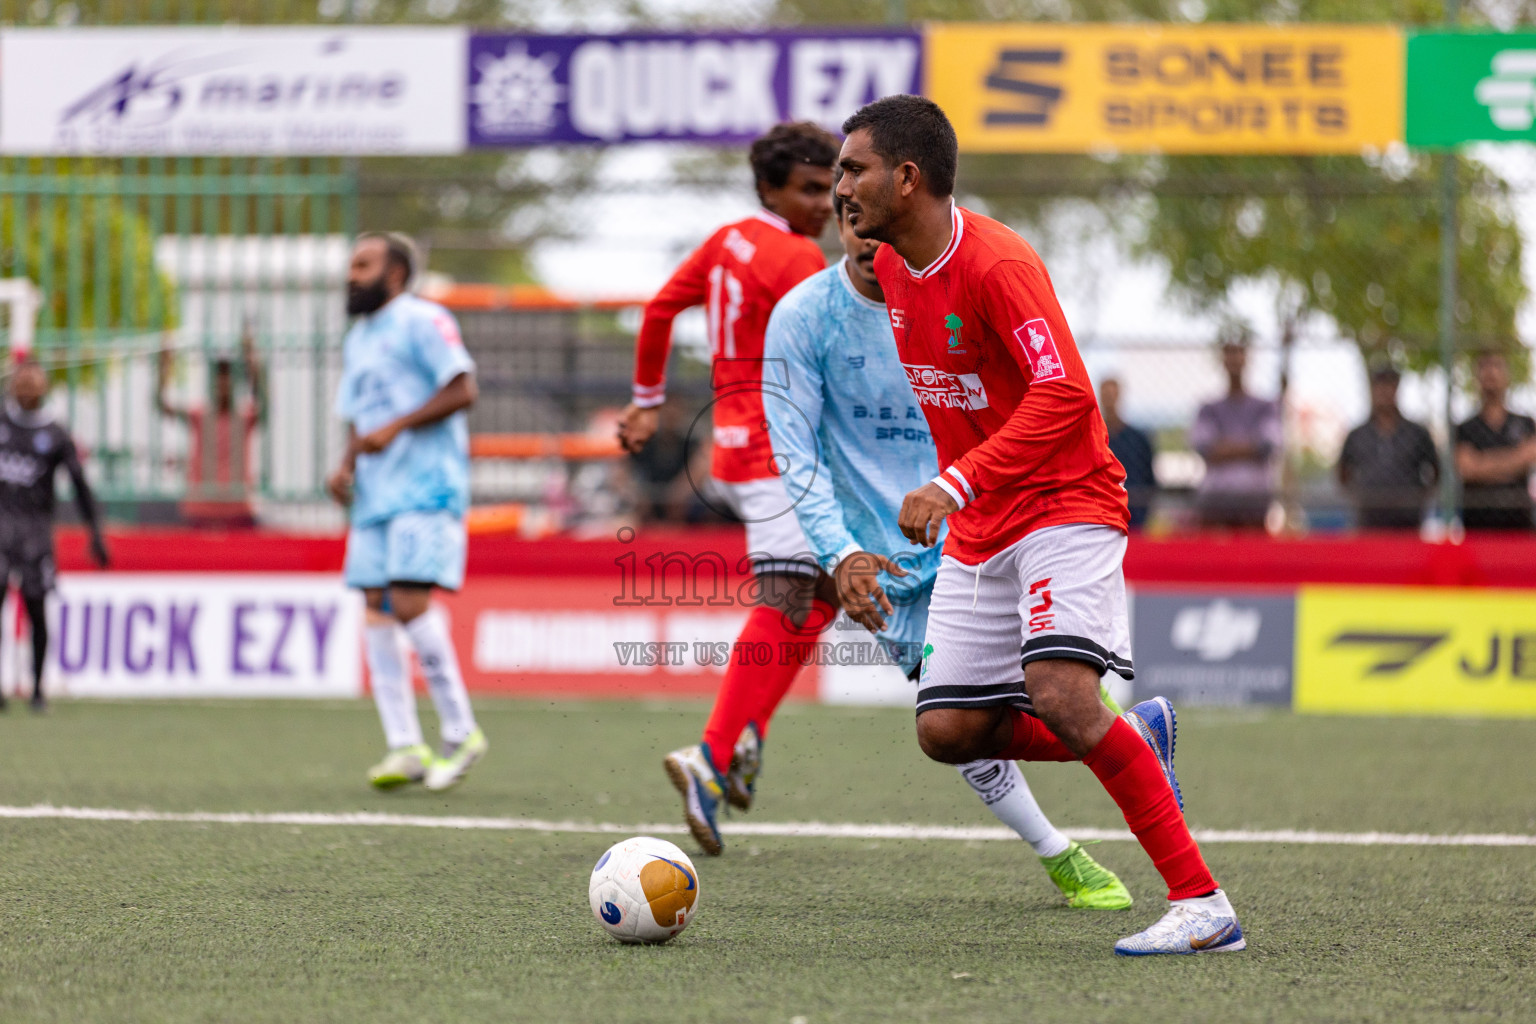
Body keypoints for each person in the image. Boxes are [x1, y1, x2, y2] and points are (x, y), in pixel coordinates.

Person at [837, 94, 1243, 956]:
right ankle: (1135, 739)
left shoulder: (999, 264)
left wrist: (952, 481)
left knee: (1061, 695)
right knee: (945, 731)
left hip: (1066, 503)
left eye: (853, 169)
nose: (841, 186)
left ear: (907, 179)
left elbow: (1065, 393)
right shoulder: (895, 268)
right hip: (986, 525)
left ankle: (1203, 904)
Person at [764, 191, 1132, 910]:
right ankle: (1059, 850)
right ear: (843, 225)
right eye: (847, 218)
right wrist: (841, 554)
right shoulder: (805, 319)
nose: (868, 241)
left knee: (1050, 697)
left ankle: (1135, 790)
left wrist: (967, 488)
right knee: (953, 725)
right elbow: (795, 454)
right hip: (886, 556)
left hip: (988, 522)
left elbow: (1037, 391)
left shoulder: (946, 283)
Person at [617, 122, 840, 856]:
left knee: (823, 598)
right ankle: (710, 756)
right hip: (781, 452)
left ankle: (746, 739)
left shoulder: (725, 241)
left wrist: (648, 401)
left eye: (829, 185)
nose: (824, 201)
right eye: (809, 188)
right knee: (785, 602)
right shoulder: (798, 255)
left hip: (734, 452)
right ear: (771, 188)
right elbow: (830, 354)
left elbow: (657, 310)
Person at [327, 232, 488, 791]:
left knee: (409, 599)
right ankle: (404, 744)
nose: (351, 274)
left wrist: (395, 428)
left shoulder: (424, 319)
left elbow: (463, 389)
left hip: (425, 487)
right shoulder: (358, 337)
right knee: (374, 606)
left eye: (362, 265)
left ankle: (460, 731)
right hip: (375, 493)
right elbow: (358, 414)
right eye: (350, 264)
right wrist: (345, 463)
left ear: (395, 274)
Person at [0, 359, 109, 710]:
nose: (28, 385)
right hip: (1, 529)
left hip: (35, 533)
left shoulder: (56, 434)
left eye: (34, 379)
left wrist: (96, 533)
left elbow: (80, 486)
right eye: (22, 378)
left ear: (44, 386)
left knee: (35, 607)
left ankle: (37, 689)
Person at [157, 327, 264, 528]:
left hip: (238, 510)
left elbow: (265, 404)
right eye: (219, 381)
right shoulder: (199, 415)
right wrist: (164, 364)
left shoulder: (245, 416)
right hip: (201, 509)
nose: (223, 387)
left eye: (227, 381)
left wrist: (252, 359)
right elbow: (162, 404)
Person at [1190, 335, 1281, 530]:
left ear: (1246, 358)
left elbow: (1267, 445)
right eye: (1229, 354)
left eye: (1238, 353)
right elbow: (1204, 447)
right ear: (1223, 360)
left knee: (1255, 554)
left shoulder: (1265, 407)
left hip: (1254, 497)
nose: (1234, 360)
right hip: (1216, 498)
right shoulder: (1209, 408)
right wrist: (1250, 446)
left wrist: (1223, 447)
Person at [1337, 365, 1439, 530]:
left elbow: (1435, 470)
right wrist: (1359, 497)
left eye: (1389, 385)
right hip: (1368, 520)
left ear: (1397, 389)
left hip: (1407, 520)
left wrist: (1419, 498)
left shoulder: (1416, 433)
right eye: (1379, 386)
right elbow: (1343, 473)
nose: (1384, 392)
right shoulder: (1358, 435)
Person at [1455, 350, 1536, 531]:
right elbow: (1467, 469)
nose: (1491, 372)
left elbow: (1530, 457)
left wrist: (1482, 464)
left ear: (1508, 376)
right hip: (1477, 526)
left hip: (1518, 525)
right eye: (1485, 366)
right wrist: (1515, 461)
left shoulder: (1525, 423)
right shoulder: (1465, 428)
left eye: (1496, 366)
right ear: (1476, 377)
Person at [1099, 377, 1156, 529]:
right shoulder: (1094, 437)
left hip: (1134, 511)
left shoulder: (1138, 438)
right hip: (1102, 510)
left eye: (1112, 393)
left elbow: (1149, 477)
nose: (1109, 399)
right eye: (1106, 394)